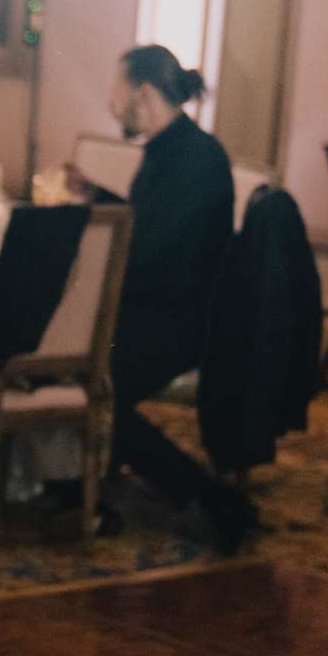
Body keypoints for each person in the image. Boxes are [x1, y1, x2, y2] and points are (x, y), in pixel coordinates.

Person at [94, 45, 256, 551]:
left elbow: (152, 250)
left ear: (142, 93)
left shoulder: (195, 159)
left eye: (116, 91)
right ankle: (77, 479)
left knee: (95, 388)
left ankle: (207, 498)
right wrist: (95, 201)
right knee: (71, 364)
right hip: (158, 307)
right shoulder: (171, 151)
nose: (111, 102)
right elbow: (148, 225)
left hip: (184, 322)